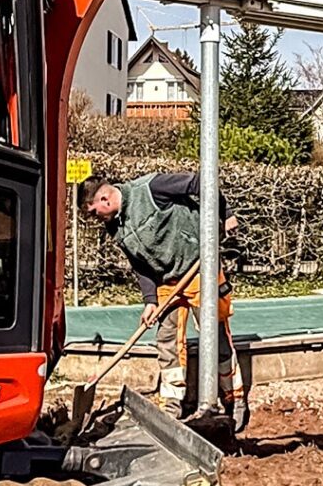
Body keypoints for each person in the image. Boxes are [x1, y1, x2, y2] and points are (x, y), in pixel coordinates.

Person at [82, 170, 246, 431]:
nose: (95, 219)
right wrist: (150, 300)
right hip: (166, 282)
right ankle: (171, 404)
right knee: (168, 341)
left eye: (93, 212)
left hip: (199, 267)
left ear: (104, 199)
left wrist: (224, 216)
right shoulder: (115, 227)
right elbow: (139, 264)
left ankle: (233, 398)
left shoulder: (151, 189)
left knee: (213, 334)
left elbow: (200, 182)